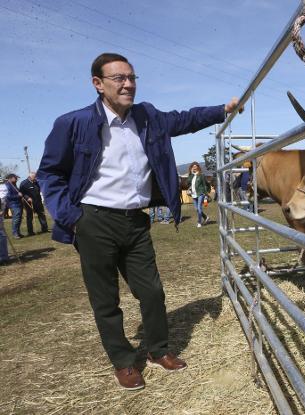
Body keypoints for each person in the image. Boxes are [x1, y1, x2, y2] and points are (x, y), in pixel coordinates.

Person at [37, 53, 242, 391]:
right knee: (105, 299)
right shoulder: (72, 123)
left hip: (135, 221)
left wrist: (223, 110)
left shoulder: (147, 117)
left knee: (152, 292)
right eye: (119, 78)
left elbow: (185, 119)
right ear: (98, 84)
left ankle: (158, 350)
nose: (128, 84)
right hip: (93, 221)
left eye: (132, 77)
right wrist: (72, 219)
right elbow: (50, 173)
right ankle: (123, 361)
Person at [187, 161, 211, 227]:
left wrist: (206, 193)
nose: (194, 168)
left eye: (195, 166)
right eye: (193, 167)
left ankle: (199, 222)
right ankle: (206, 217)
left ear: (198, 167)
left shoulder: (201, 175)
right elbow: (187, 183)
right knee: (196, 209)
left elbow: (205, 184)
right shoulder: (191, 176)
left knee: (199, 208)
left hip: (201, 193)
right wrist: (191, 174)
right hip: (194, 194)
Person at [4, 174, 24, 239]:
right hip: (13, 204)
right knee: (16, 219)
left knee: (19, 219)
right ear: (10, 178)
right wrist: (18, 196)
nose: (17, 179)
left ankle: (18, 232)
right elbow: (8, 196)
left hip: (18, 203)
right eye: (15, 178)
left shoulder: (14, 184)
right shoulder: (7, 186)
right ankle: (15, 233)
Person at [0, 181, 9, 265]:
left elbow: (2, 200)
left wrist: (1, 211)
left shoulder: (3, 187)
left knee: (1, 235)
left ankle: (3, 257)